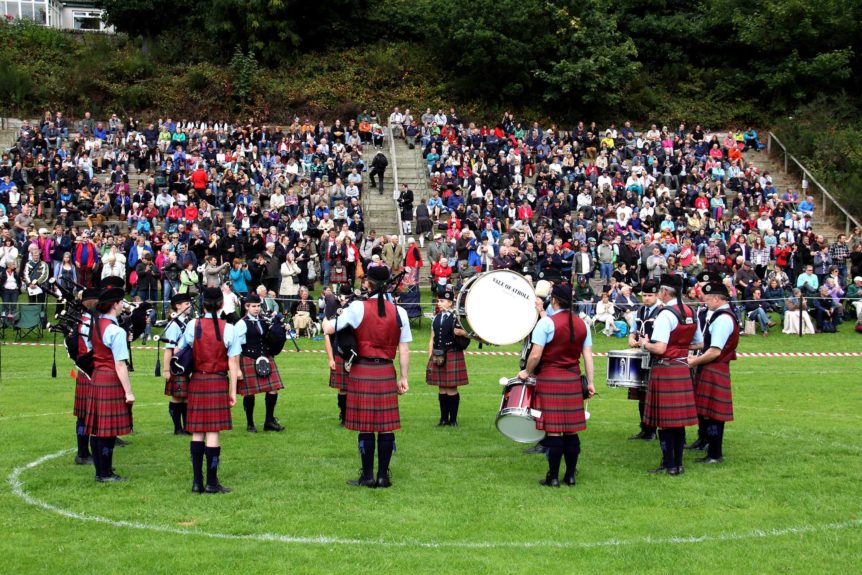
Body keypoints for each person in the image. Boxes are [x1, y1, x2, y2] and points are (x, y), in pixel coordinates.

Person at [323, 265, 411, 489]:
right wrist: (404, 378)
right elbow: (404, 349)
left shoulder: (357, 308)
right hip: (386, 370)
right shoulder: (399, 312)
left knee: (366, 425)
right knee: (385, 426)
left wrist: (327, 318)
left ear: (367, 284)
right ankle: (383, 476)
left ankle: (368, 476)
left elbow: (330, 329)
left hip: (363, 370)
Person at [518, 284, 595, 487]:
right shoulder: (583, 324)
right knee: (571, 430)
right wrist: (591, 383)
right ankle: (570, 476)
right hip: (572, 379)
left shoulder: (546, 324)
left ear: (554, 301)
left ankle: (552, 477)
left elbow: (535, 354)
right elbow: (588, 356)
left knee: (553, 431)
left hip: (550, 379)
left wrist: (526, 371)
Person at [175, 287, 241, 494]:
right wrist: (233, 392)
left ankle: (197, 483)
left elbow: (179, 350)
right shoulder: (229, 329)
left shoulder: (192, 325)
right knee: (213, 432)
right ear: (222, 305)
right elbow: (233, 364)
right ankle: (211, 483)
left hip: (197, 381)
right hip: (218, 381)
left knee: (197, 432)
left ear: (203, 305)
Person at [639, 274, 702, 475]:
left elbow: (659, 348)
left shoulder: (666, 314)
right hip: (682, 367)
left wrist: (644, 343)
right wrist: (681, 347)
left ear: (664, 292)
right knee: (678, 422)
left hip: (666, 369)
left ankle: (668, 465)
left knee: (666, 423)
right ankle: (679, 464)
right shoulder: (690, 310)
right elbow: (699, 343)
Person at [83, 287, 135, 482]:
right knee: (107, 429)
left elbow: (90, 349)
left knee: (98, 428)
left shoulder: (95, 325)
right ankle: (105, 473)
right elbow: (120, 364)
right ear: (114, 304)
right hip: (110, 378)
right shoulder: (116, 330)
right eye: (121, 302)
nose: (123, 305)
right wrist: (128, 392)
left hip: (97, 377)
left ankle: (101, 470)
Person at [687, 282, 739, 464]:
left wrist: (693, 361)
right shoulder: (720, 315)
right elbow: (707, 344)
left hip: (714, 368)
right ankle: (710, 448)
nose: (706, 302)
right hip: (712, 368)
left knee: (714, 414)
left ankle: (715, 454)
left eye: (708, 299)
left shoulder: (723, 318)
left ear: (717, 298)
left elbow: (715, 351)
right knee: (708, 412)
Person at [235, 294, 286, 433]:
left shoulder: (264, 320)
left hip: (265, 358)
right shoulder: (241, 323)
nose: (257, 309)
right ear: (247, 307)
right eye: (254, 306)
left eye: (258, 306)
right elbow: (236, 348)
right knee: (249, 393)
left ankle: (269, 421)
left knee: (273, 388)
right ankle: (250, 423)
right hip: (248, 358)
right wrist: (237, 369)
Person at [426, 288, 469, 426]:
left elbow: (472, 333)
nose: (439, 303)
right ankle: (443, 419)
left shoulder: (459, 317)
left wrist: (462, 332)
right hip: (438, 355)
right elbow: (432, 338)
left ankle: (453, 420)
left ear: (450, 303)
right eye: (439, 300)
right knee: (441, 388)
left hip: (452, 354)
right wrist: (430, 356)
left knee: (451, 388)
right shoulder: (437, 317)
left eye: (442, 300)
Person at [627, 280, 661, 440]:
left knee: (651, 395)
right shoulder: (639, 311)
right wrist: (631, 338)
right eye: (644, 295)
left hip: (656, 356)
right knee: (641, 394)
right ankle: (644, 428)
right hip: (641, 356)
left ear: (657, 295)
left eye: (650, 295)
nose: (646, 298)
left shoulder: (662, 311)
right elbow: (633, 331)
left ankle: (652, 430)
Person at [72, 288, 99, 465]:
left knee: (85, 415)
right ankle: (83, 453)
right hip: (90, 370)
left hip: (86, 371)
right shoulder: (88, 322)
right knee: (87, 415)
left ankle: (84, 452)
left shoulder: (88, 320)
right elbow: (92, 347)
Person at [161, 292, 195, 435]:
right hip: (177, 364)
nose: (189, 306)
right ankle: (177, 427)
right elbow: (169, 350)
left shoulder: (190, 321)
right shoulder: (173, 324)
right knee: (177, 396)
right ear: (178, 306)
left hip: (189, 363)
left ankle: (187, 426)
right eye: (186, 304)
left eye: (189, 304)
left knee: (187, 396)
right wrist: (166, 369)